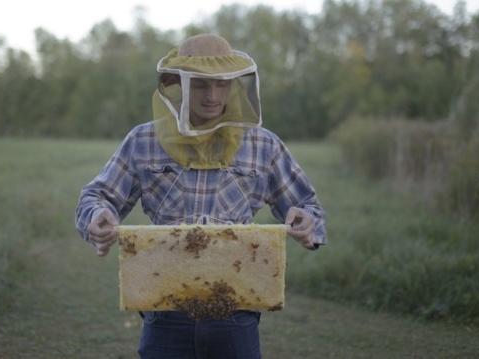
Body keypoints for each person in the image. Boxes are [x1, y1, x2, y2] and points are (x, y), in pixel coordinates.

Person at [75, 33, 327, 359]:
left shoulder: (263, 145)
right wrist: (97, 216)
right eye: (200, 84)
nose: (212, 95)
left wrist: (307, 222)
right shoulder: (143, 140)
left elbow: (308, 206)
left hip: (236, 310)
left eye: (221, 84)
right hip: (165, 307)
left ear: (235, 83)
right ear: (179, 83)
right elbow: (97, 196)